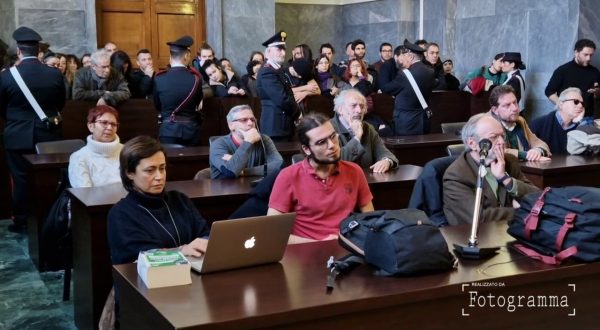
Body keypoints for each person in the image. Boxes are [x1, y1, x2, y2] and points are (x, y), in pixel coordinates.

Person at [267, 113, 374, 244]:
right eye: (321, 142)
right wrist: (320, 243)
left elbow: (370, 220)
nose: (332, 145)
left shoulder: (355, 171)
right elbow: (272, 233)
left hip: (347, 247)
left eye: (333, 137)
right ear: (306, 149)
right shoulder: (287, 176)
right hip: (305, 252)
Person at [0, 26, 66, 232]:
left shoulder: (6, 76)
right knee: (48, 178)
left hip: (17, 134)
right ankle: (49, 217)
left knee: (20, 179)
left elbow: (2, 106)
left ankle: (22, 221)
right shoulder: (54, 75)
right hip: (47, 135)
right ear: (39, 51)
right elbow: (60, 103)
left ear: (19, 51)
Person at [107, 136, 210, 265]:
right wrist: (182, 251)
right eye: (150, 171)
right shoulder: (121, 214)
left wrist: (205, 242)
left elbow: (205, 235)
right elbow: (139, 257)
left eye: (162, 168)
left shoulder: (179, 199)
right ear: (129, 173)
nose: (159, 177)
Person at [443, 113, 539, 226]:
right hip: (477, 237)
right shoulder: (456, 175)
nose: (502, 142)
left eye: (502, 136)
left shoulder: (508, 161)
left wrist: (506, 179)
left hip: (511, 231)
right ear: (472, 143)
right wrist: (522, 211)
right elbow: (479, 218)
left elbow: (539, 198)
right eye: (493, 137)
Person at [153, 35, 204, 146]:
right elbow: (197, 102)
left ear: (170, 56)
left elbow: (157, 105)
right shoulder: (196, 78)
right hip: (191, 131)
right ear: (186, 56)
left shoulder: (159, 78)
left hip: (167, 131)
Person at [330, 89, 398, 172]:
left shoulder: (368, 128)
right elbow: (337, 162)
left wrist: (387, 161)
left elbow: (384, 152)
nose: (359, 111)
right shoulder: (329, 129)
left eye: (362, 106)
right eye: (353, 105)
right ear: (340, 109)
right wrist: (357, 137)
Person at [209, 104, 283, 179]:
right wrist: (248, 141)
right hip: (224, 190)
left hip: (254, 188)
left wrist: (244, 171)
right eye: (244, 120)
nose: (250, 123)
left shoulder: (264, 139)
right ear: (231, 125)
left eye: (252, 119)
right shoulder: (218, 144)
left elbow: (279, 165)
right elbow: (230, 171)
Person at [381, 39, 435, 135]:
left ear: (410, 56)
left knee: (406, 149)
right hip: (424, 120)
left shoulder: (405, 74)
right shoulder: (430, 72)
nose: (402, 58)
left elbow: (386, 89)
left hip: (407, 122)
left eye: (404, 56)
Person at [488, 85, 551, 161]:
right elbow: (496, 151)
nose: (515, 108)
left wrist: (537, 151)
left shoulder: (520, 120)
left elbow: (538, 143)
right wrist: (526, 155)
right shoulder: (487, 124)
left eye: (515, 102)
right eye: (507, 105)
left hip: (522, 168)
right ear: (495, 110)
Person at [256, 31, 297, 141]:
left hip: (282, 125)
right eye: (279, 49)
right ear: (268, 52)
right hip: (274, 126)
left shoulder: (277, 70)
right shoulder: (267, 71)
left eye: (284, 49)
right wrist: (297, 113)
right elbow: (281, 99)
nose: (283, 53)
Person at [68, 105, 123, 188]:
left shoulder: (127, 151)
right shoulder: (79, 157)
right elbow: (84, 195)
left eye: (113, 124)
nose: (109, 128)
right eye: (104, 123)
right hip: (97, 201)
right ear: (90, 126)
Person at [545, 38, 600, 118]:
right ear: (576, 53)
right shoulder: (562, 70)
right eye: (585, 55)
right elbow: (549, 91)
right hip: (566, 116)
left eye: (591, 55)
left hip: (587, 117)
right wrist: (562, 105)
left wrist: (598, 93)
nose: (589, 58)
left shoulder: (595, 72)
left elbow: (597, 96)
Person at [530, 87, 591, 155]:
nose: (580, 106)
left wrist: (580, 123)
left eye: (582, 103)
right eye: (576, 101)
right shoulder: (539, 124)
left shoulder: (584, 126)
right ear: (561, 104)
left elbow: (590, 152)